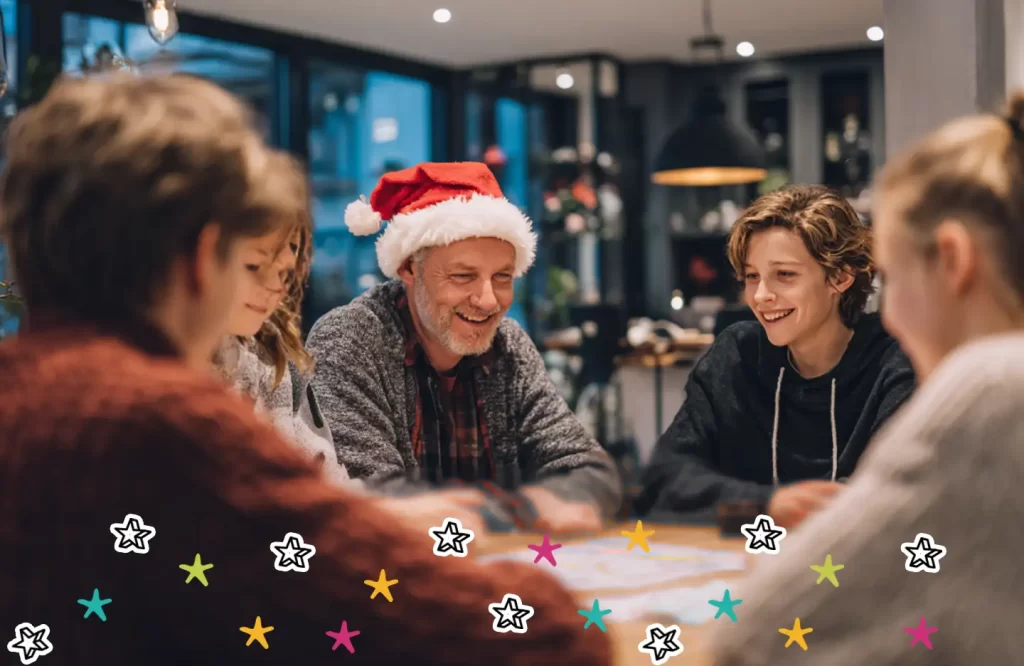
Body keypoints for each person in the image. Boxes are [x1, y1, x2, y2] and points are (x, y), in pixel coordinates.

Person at [0, 74, 609, 665]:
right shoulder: (162, 419)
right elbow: (442, 625)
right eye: (252, 256)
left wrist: (367, 524)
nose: (275, 283)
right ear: (203, 255)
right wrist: (561, 611)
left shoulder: (26, 387)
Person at [707, 91, 1024, 666]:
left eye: (894, 278)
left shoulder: (995, 388)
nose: (891, 314)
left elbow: (752, 636)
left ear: (953, 260)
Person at [306, 162, 622, 533]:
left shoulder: (509, 346)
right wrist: (529, 509)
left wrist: (506, 511)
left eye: (502, 277)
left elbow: (593, 471)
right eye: (462, 276)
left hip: (498, 569)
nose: (488, 301)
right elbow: (374, 502)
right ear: (409, 268)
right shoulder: (349, 340)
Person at [638, 185, 915, 527]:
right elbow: (664, 479)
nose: (761, 296)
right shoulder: (736, 356)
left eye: (785, 275)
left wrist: (738, 509)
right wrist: (766, 505)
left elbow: (895, 497)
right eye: (752, 277)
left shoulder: (895, 361)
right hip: (738, 570)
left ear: (840, 277)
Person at [211, 153, 349, 485]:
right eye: (254, 267)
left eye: (286, 273)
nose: (275, 288)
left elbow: (320, 469)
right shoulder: (152, 363)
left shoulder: (267, 354)